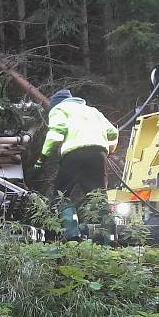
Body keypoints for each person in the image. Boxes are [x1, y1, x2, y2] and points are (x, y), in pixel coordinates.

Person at [34, 89, 119, 240]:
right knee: (99, 197)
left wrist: (42, 158)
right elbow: (113, 132)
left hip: (74, 155)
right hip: (98, 156)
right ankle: (108, 239)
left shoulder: (59, 109)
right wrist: (109, 150)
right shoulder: (92, 111)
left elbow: (55, 133)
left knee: (61, 194)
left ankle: (71, 235)